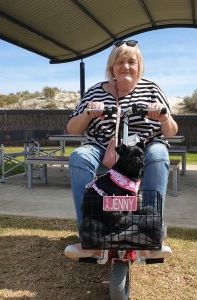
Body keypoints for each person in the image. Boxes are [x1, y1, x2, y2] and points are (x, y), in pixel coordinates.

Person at [64, 40, 178, 259]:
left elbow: (171, 131)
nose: (126, 66)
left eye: (131, 62)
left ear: (139, 66)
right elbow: (72, 129)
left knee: (158, 154)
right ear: (111, 67)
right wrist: (88, 113)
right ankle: (90, 238)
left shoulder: (152, 89)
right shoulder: (96, 91)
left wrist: (163, 116)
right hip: (101, 145)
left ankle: (150, 237)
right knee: (79, 156)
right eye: (120, 62)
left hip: (143, 146)